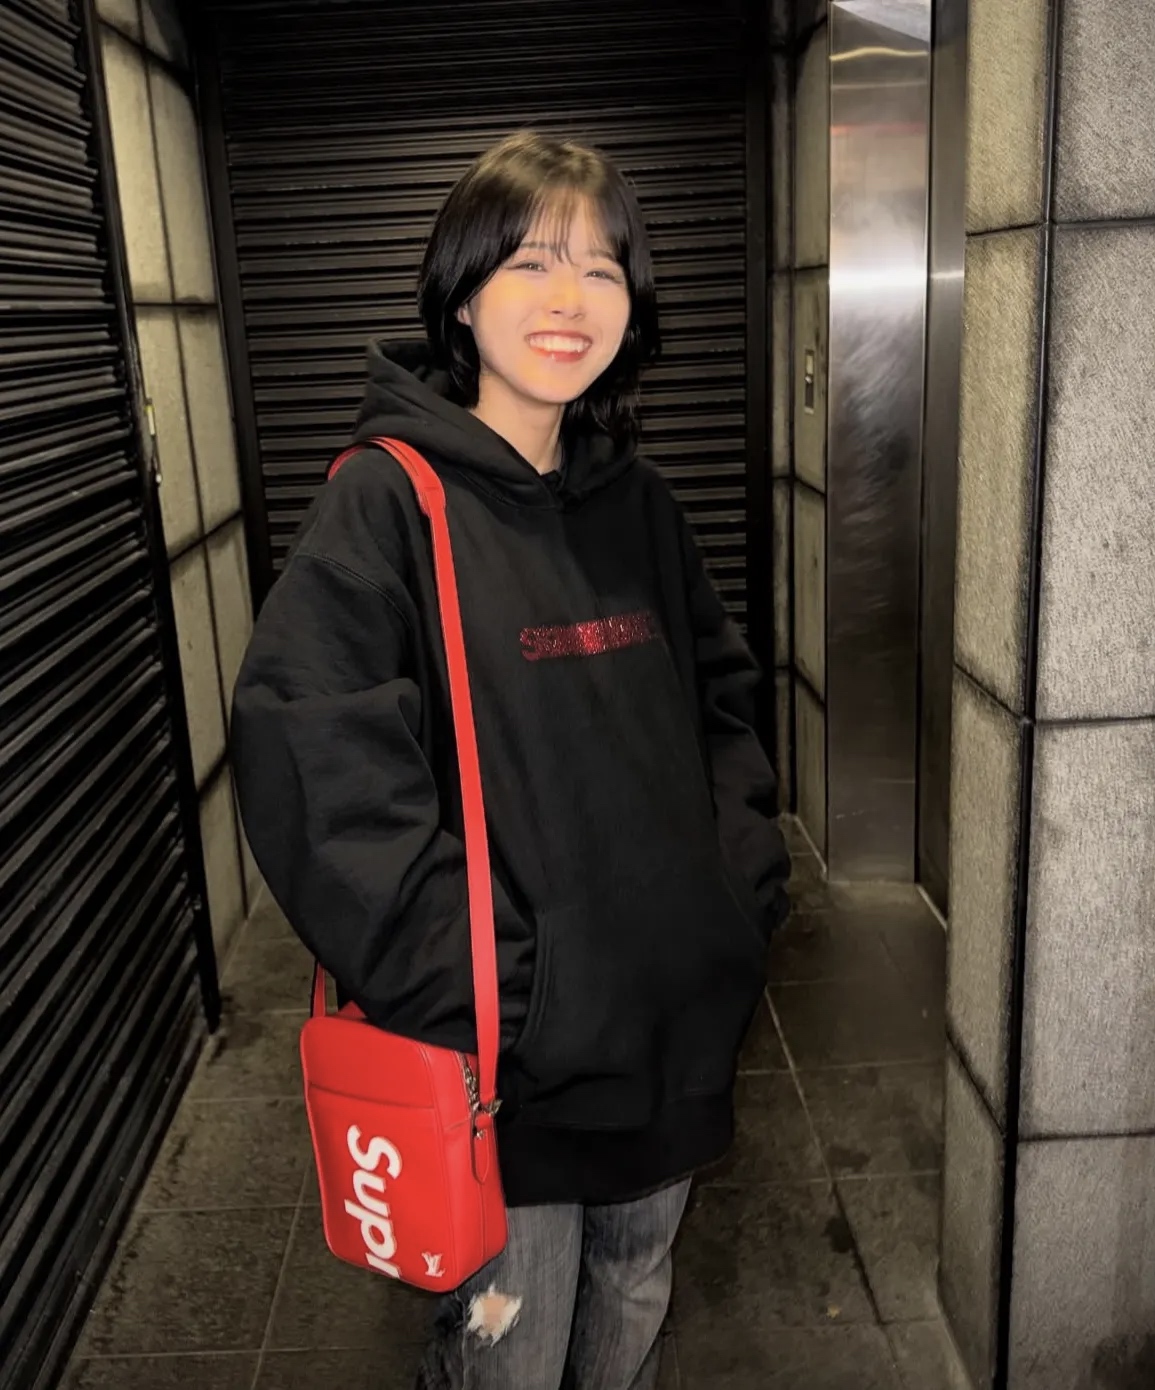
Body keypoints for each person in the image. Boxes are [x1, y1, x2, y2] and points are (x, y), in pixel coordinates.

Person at [231, 130, 791, 1390]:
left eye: (600, 267)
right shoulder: (388, 502)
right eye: (532, 261)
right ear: (463, 292)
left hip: (672, 1027)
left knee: (635, 1302)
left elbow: (726, 708)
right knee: (509, 1351)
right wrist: (494, 984)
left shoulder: (641, 505)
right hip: (512, 1069)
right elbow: (311, 755)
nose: (566, 298)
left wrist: (737, 895)